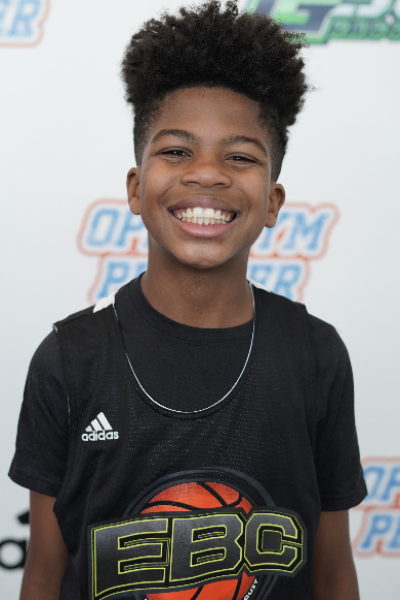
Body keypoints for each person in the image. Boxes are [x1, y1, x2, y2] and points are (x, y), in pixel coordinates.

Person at [9, 2, 367, 599]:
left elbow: (333, 573)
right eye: (177, 151)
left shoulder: (315, 354)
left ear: (273, 202)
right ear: (136, 188)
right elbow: (45, 572)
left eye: (240, 157)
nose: (207, 174)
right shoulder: (70, 358)